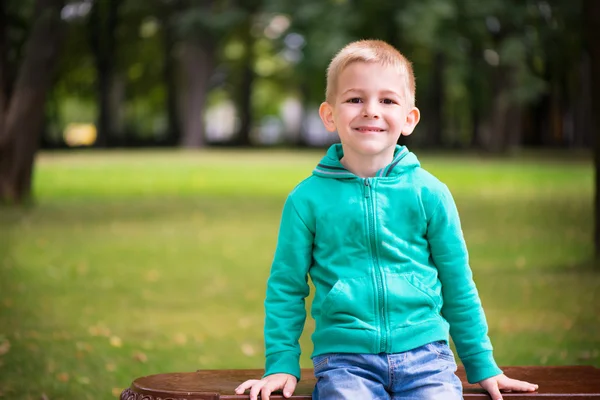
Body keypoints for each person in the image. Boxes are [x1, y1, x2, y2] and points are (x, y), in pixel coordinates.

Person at [235, 39, 538, 400]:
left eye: (388, 100)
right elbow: (286, 288)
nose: (371, 110)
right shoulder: (306, 200)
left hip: (427, 355)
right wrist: (281, 364)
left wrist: (481, 363)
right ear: (329, 114)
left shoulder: (430, 193)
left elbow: (458, 283)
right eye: (354, 99)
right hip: (345, 359)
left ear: (409, 118)